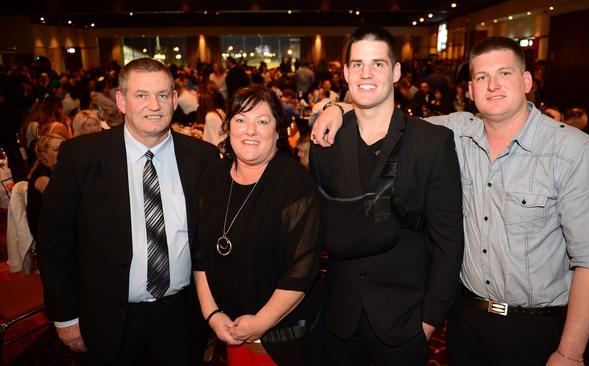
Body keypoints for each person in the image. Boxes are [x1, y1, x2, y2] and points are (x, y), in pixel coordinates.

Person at [313, 36, 589, 366]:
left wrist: (570, 352)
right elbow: (383, 117)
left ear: (528, 81)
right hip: (465, 319)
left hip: (533, 326)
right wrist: (336, 107)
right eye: (481, 77)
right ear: (470, 90)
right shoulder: (457, 132)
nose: (493, 86)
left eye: (505, 73)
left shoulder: (574, 153)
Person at [37, 58, 219, 365]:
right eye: (141, 95)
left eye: (163, 95)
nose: (155, 105)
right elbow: (55, 241)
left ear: (175, 99)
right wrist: (65, 317)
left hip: (182, 317)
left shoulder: (203, 157)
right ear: (121, 100)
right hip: (109, 318)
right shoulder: (82, 157)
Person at [309, 25, 464, 366]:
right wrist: (335, 107)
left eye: (378, 64)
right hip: (339, 319)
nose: (367, 73)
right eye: (358, 64)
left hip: (404, 321)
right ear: (346, 72)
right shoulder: (325, 139)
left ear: (395, 72)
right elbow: (319, 226)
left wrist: (428, 321)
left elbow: (449, 240)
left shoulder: (431, 142)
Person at [193, 85, 322, 366]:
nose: (250, 130)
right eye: (241, 120)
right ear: (228, 127)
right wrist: (212, 314)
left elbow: (302, 271)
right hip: (229, 327)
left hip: (280, 336)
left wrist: (260, 324)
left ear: (278, 131)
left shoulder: (295, 185)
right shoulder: (212, 178)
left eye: (262, 121)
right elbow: (200, 254)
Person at [26, 122, 70, 241]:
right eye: (56, 149)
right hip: (48, 235)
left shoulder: (60, 170)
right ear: (44, 154)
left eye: (64, 148)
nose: (62, 152)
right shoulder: (41, 176)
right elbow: (62, 202)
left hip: (59, 225)